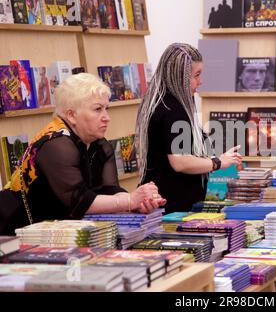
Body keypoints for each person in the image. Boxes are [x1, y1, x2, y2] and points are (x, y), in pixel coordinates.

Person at [1, 73, 166, 235]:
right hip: (14, 228)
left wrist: (139, 202)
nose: (106, 118)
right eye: (97, 109)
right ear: (72, 115)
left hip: (55, 232)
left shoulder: (100, 145)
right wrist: (129, 200)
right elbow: (80, 202)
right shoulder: (56, 144)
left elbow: (109, 190)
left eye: (106, 109)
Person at [135, 43, 242, 214]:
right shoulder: (173, 109)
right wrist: (218, 163)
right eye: (196, 75)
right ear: (180, 77)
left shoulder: (167, 102)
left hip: (174, 201)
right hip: (171, 204)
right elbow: (180, 161)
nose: (201, 81)